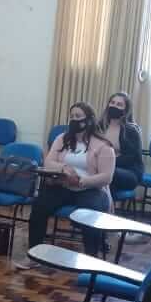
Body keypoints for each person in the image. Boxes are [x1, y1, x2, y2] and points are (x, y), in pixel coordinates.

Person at [22, 102, 115, 262]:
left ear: (89, 120)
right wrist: (64, 168)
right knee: (39, 207)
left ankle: (91, 260)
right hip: (63, 186)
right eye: (72, 116)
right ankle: (34, 256)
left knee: (90, 216)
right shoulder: (62, 138)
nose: (74, 120)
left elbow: (107, 177)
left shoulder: (103, 145)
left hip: (90, 190)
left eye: (78, 117)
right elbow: (49, 162)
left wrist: (82, 181)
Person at [100, 91, 144, 194]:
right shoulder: (99, 126)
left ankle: (104, 206)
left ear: (126, 110)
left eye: (119, 104)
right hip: (102, 167)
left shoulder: (131, 130)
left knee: (108, 173)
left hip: (129, 172)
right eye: (112, 103)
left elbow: (131, 157)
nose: (114, 106)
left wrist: (107, 163)